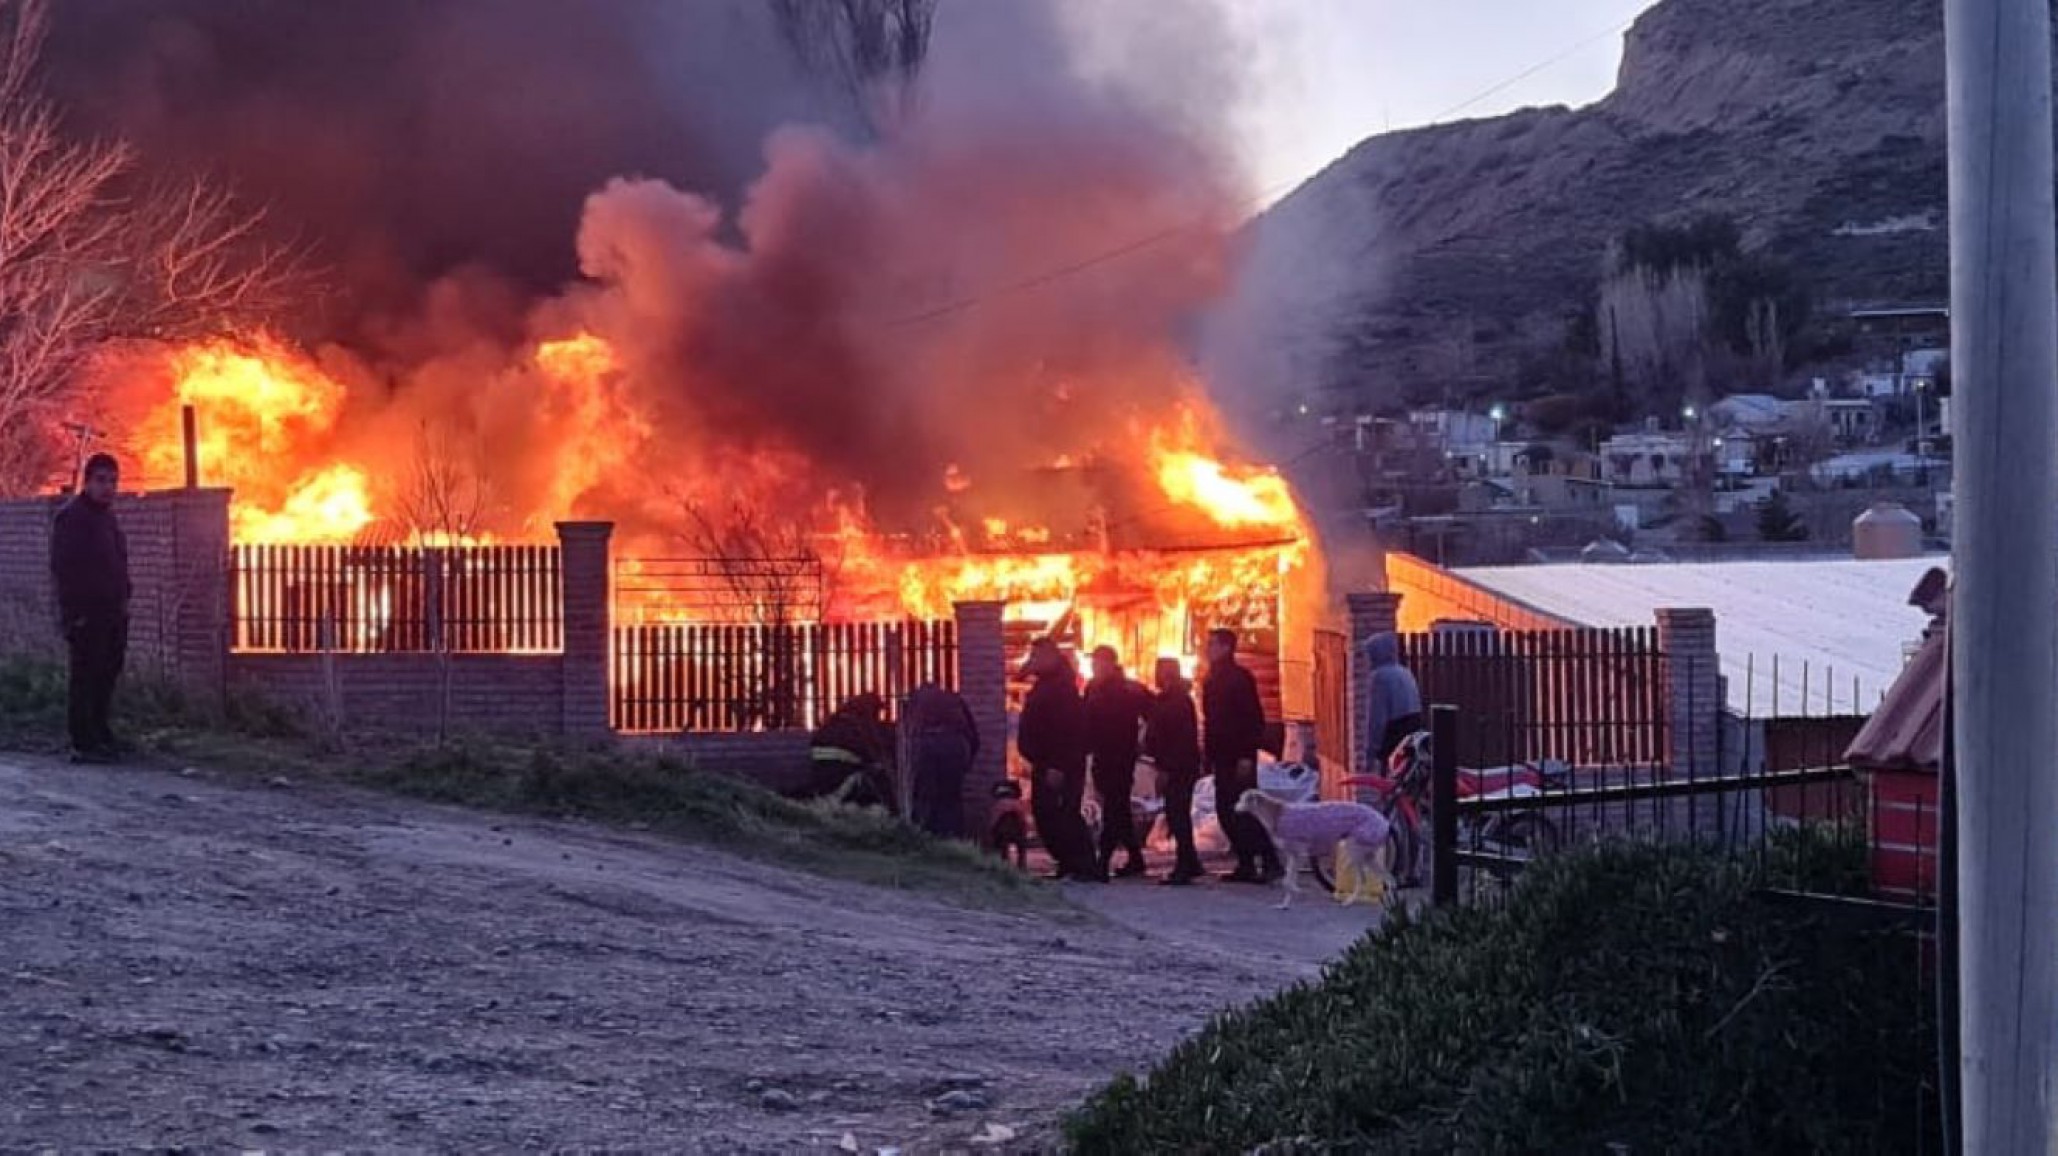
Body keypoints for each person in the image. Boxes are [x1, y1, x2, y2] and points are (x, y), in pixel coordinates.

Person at [50, 453, 131, 764]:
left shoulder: (108, 518)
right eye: (101, 480)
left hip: (113, 613)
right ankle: (83, 741)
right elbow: (63, 569)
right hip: (87, 615)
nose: (108, 488)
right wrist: (75, 614)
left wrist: (125, 597)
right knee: (85, 676)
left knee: (107, 675)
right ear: (87, 481)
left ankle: (101, 733)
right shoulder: (72, 517)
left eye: (113, 481)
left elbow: (117, 562)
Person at [1017, 639, 1100, 881]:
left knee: (1064, 814)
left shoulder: (1062, 689)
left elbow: (1066, 731)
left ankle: (1084, 866)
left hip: (1059, 764)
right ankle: (1068, 862)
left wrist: (1057, 765)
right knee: (1047, 814)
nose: (1034, 658)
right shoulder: (1047, 684)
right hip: (1045, 762)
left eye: (1038, 655)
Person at [1202, 627, 1279, 883]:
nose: (1207, 648)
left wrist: (1247, 756)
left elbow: (1253, 719)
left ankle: (1269, 860)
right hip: (1222, 755)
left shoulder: (1239, 678)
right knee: (1226, 810)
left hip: (1238, 757)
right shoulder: (1212, 679)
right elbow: (1212, 721)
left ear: (1226, 648)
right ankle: (1245, 863)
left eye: (1212, 644)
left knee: (1244, 810)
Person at [1083, 645, 1153, 878]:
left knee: (1114, 808)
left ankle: (1102, 862)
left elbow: (1155, 716)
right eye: (1093, 662)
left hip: (1121, 757)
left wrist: (1144, 742)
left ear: (1111, 663)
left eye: (1099, 662)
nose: (1095, 666)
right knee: (1118, 808)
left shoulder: (1130, 690)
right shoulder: (1092, 688)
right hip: (1101, 755)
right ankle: (1135, 858)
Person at [1142, 657, 1205, 885]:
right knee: (1177, 814)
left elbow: (1177, 739)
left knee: (1178, 815)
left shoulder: (1177, 702)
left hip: (1178, 768)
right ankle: (1190, 862)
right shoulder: (1171, 700)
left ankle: (1185, 866)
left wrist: (1167, 767)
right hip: (1176, 765)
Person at [905, 681, 980, 839]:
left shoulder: (917, 701)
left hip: (927, 746)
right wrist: (967, 760)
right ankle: (953, 839)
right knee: (952, 798)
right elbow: (973, 736)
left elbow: (908, 728)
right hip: (956, 746)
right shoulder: (954, 700)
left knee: (925, 796)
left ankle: (926, 837)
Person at [806, 692, 893, 808]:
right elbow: (872, 755)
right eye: (878, 712)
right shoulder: (862, 725)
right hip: (842, 774)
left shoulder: (834, 721)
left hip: (820, 774)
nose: (878, 716)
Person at [1362, 631, 1425, 769]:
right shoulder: (1405, 672)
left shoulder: (1379, 677)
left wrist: (1371, 752)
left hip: (1394, 737)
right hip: (1413, 735)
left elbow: (1377, 719)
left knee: (1389, 783)